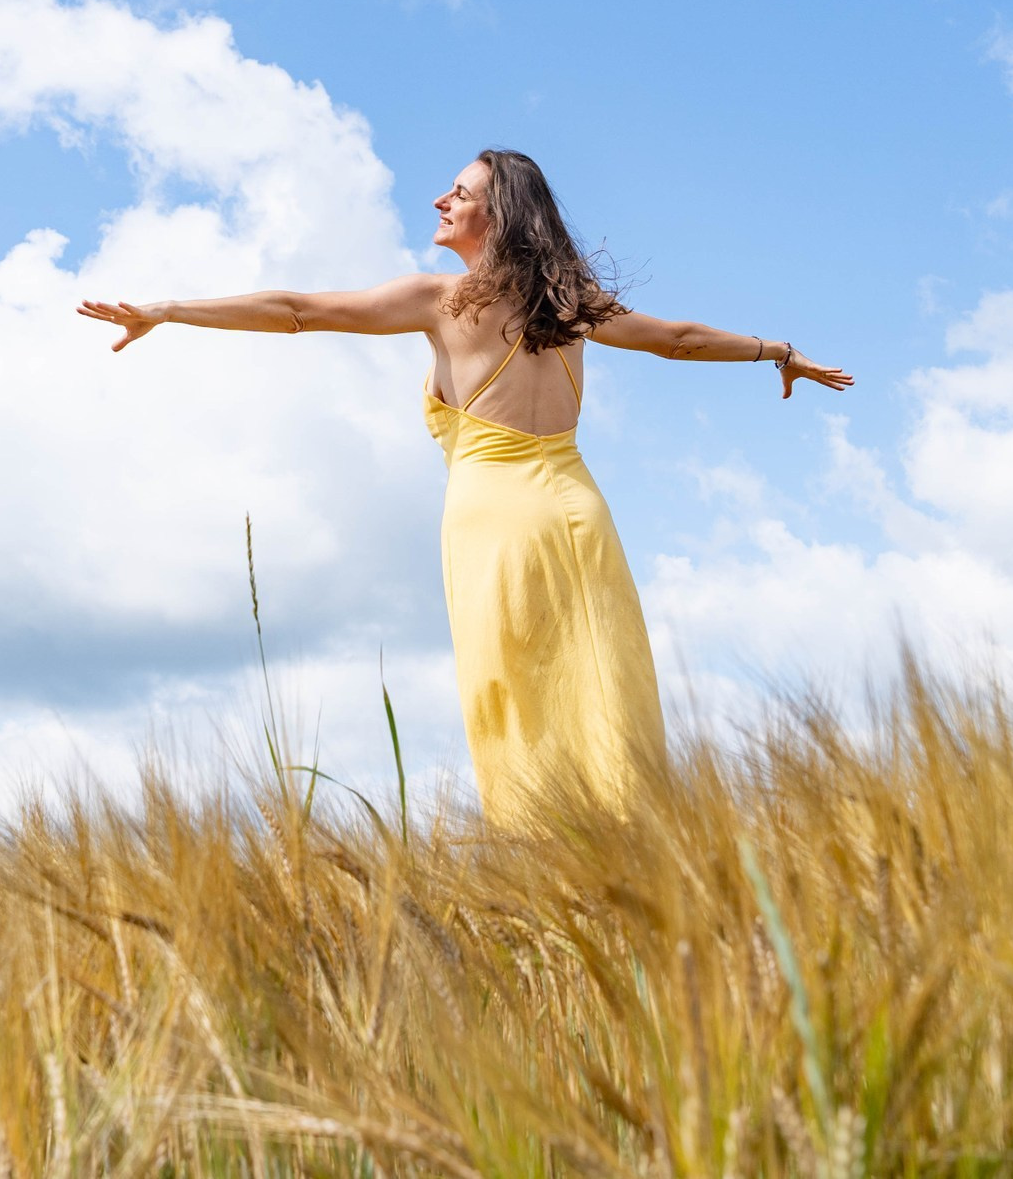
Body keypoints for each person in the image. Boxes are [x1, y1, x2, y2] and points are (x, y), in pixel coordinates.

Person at [78, 149, 853, 828]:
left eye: (459, 191)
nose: (441, 201)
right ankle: (634, 848)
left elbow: (297, 312)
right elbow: (678, 341)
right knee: (603, 685)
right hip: (581, 513)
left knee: (512, 696)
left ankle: (539, 852)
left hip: (496, 524)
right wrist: (777, 350)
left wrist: (168, 310)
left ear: (499, 212)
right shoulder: (572, 304)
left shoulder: (441, 300)